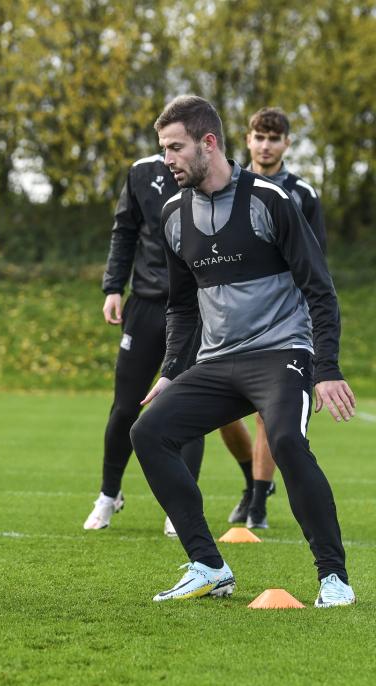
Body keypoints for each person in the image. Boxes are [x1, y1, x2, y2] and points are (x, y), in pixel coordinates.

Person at [131, 95, 355, 607]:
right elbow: (182, 307)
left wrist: (326, 367)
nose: (167, 159)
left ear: (208, 144)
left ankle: (334, 578)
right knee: (149, 431)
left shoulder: (271, 201)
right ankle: (208, 565)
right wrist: (170, 372)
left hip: (282, 353)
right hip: (217, 362)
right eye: (163, 148)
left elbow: (319, 287)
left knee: (285, 441)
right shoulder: (172, 215)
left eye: (175, 148)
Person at [86, 153, 255, 536]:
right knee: (125, 407)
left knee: (187, 409)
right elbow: (124, 230)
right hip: (145, 305)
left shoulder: (220, 173)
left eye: (180, 142)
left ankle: (179, 507)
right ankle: (108, 494)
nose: (172, 151)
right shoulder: (141, 172)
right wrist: (114, 286)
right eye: (167, 142)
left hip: (197, 309)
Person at [223, 107, 328, 530]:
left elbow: (316, 263)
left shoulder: (302, 193)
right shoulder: (226, 185)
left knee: (269, 412)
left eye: (274, 138)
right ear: (247, 139)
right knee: (222, 412)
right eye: (259, 137)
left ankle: (259, 506)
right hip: (230, 318)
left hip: (283, 319)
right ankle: (253, 480)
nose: (265, 145)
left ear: (286, 143)